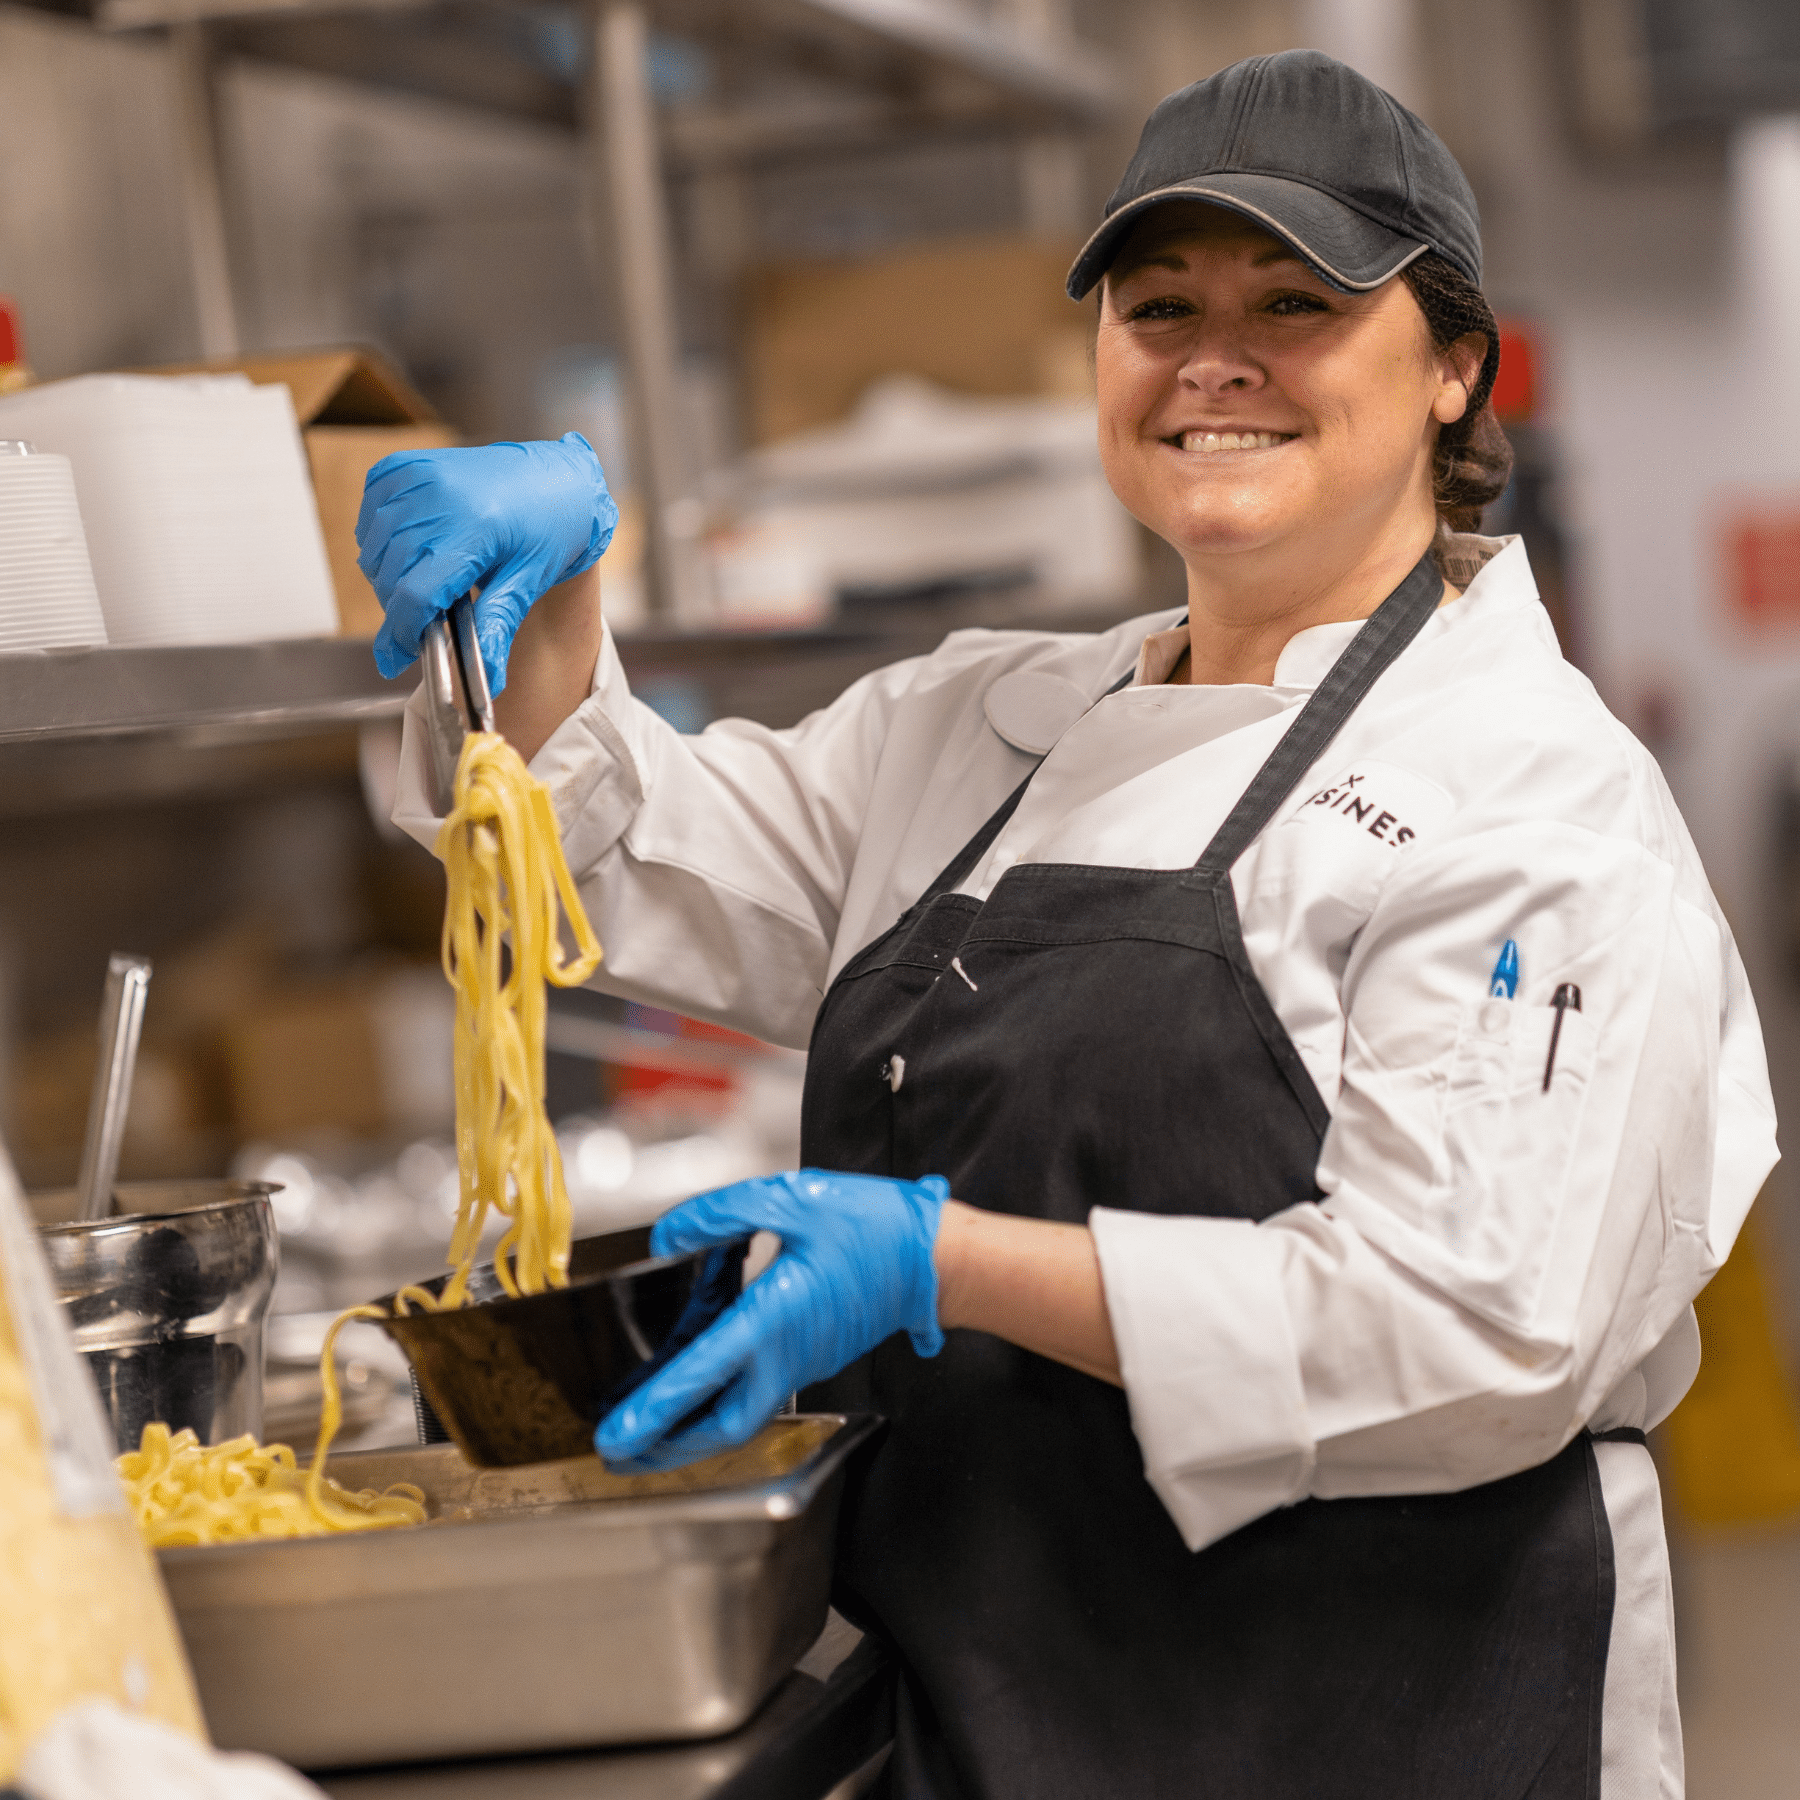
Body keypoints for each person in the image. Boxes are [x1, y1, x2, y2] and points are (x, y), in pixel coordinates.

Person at [360, 50, 1776, 1800]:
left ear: (1454, 369)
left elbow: (1471, 1333)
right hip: (1001, 1710)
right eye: (1157, 303)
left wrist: (941, 1262)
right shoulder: (984, 728)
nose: (1213, 360)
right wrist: (549, 604)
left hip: (1393, 1719)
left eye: (1297, 303)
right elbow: (613, 847)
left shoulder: (1534, 798)